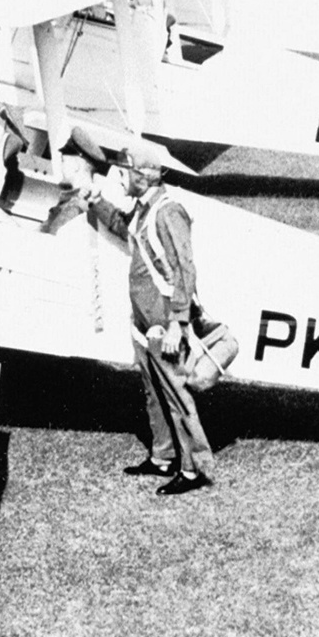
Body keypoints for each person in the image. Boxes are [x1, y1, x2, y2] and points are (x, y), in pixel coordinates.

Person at [87, 140, 215, 496]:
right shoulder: (144, 209)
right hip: (145, 322)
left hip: (164, 323)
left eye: (124, 172)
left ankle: (193, 470)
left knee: (176, 396)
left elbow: (184, 268)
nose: (120, 177)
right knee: (153, 393)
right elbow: (122, 226)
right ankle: (162, 457)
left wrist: (178, 322)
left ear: (141, 177)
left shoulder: (168, 211)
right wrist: (94, 200)